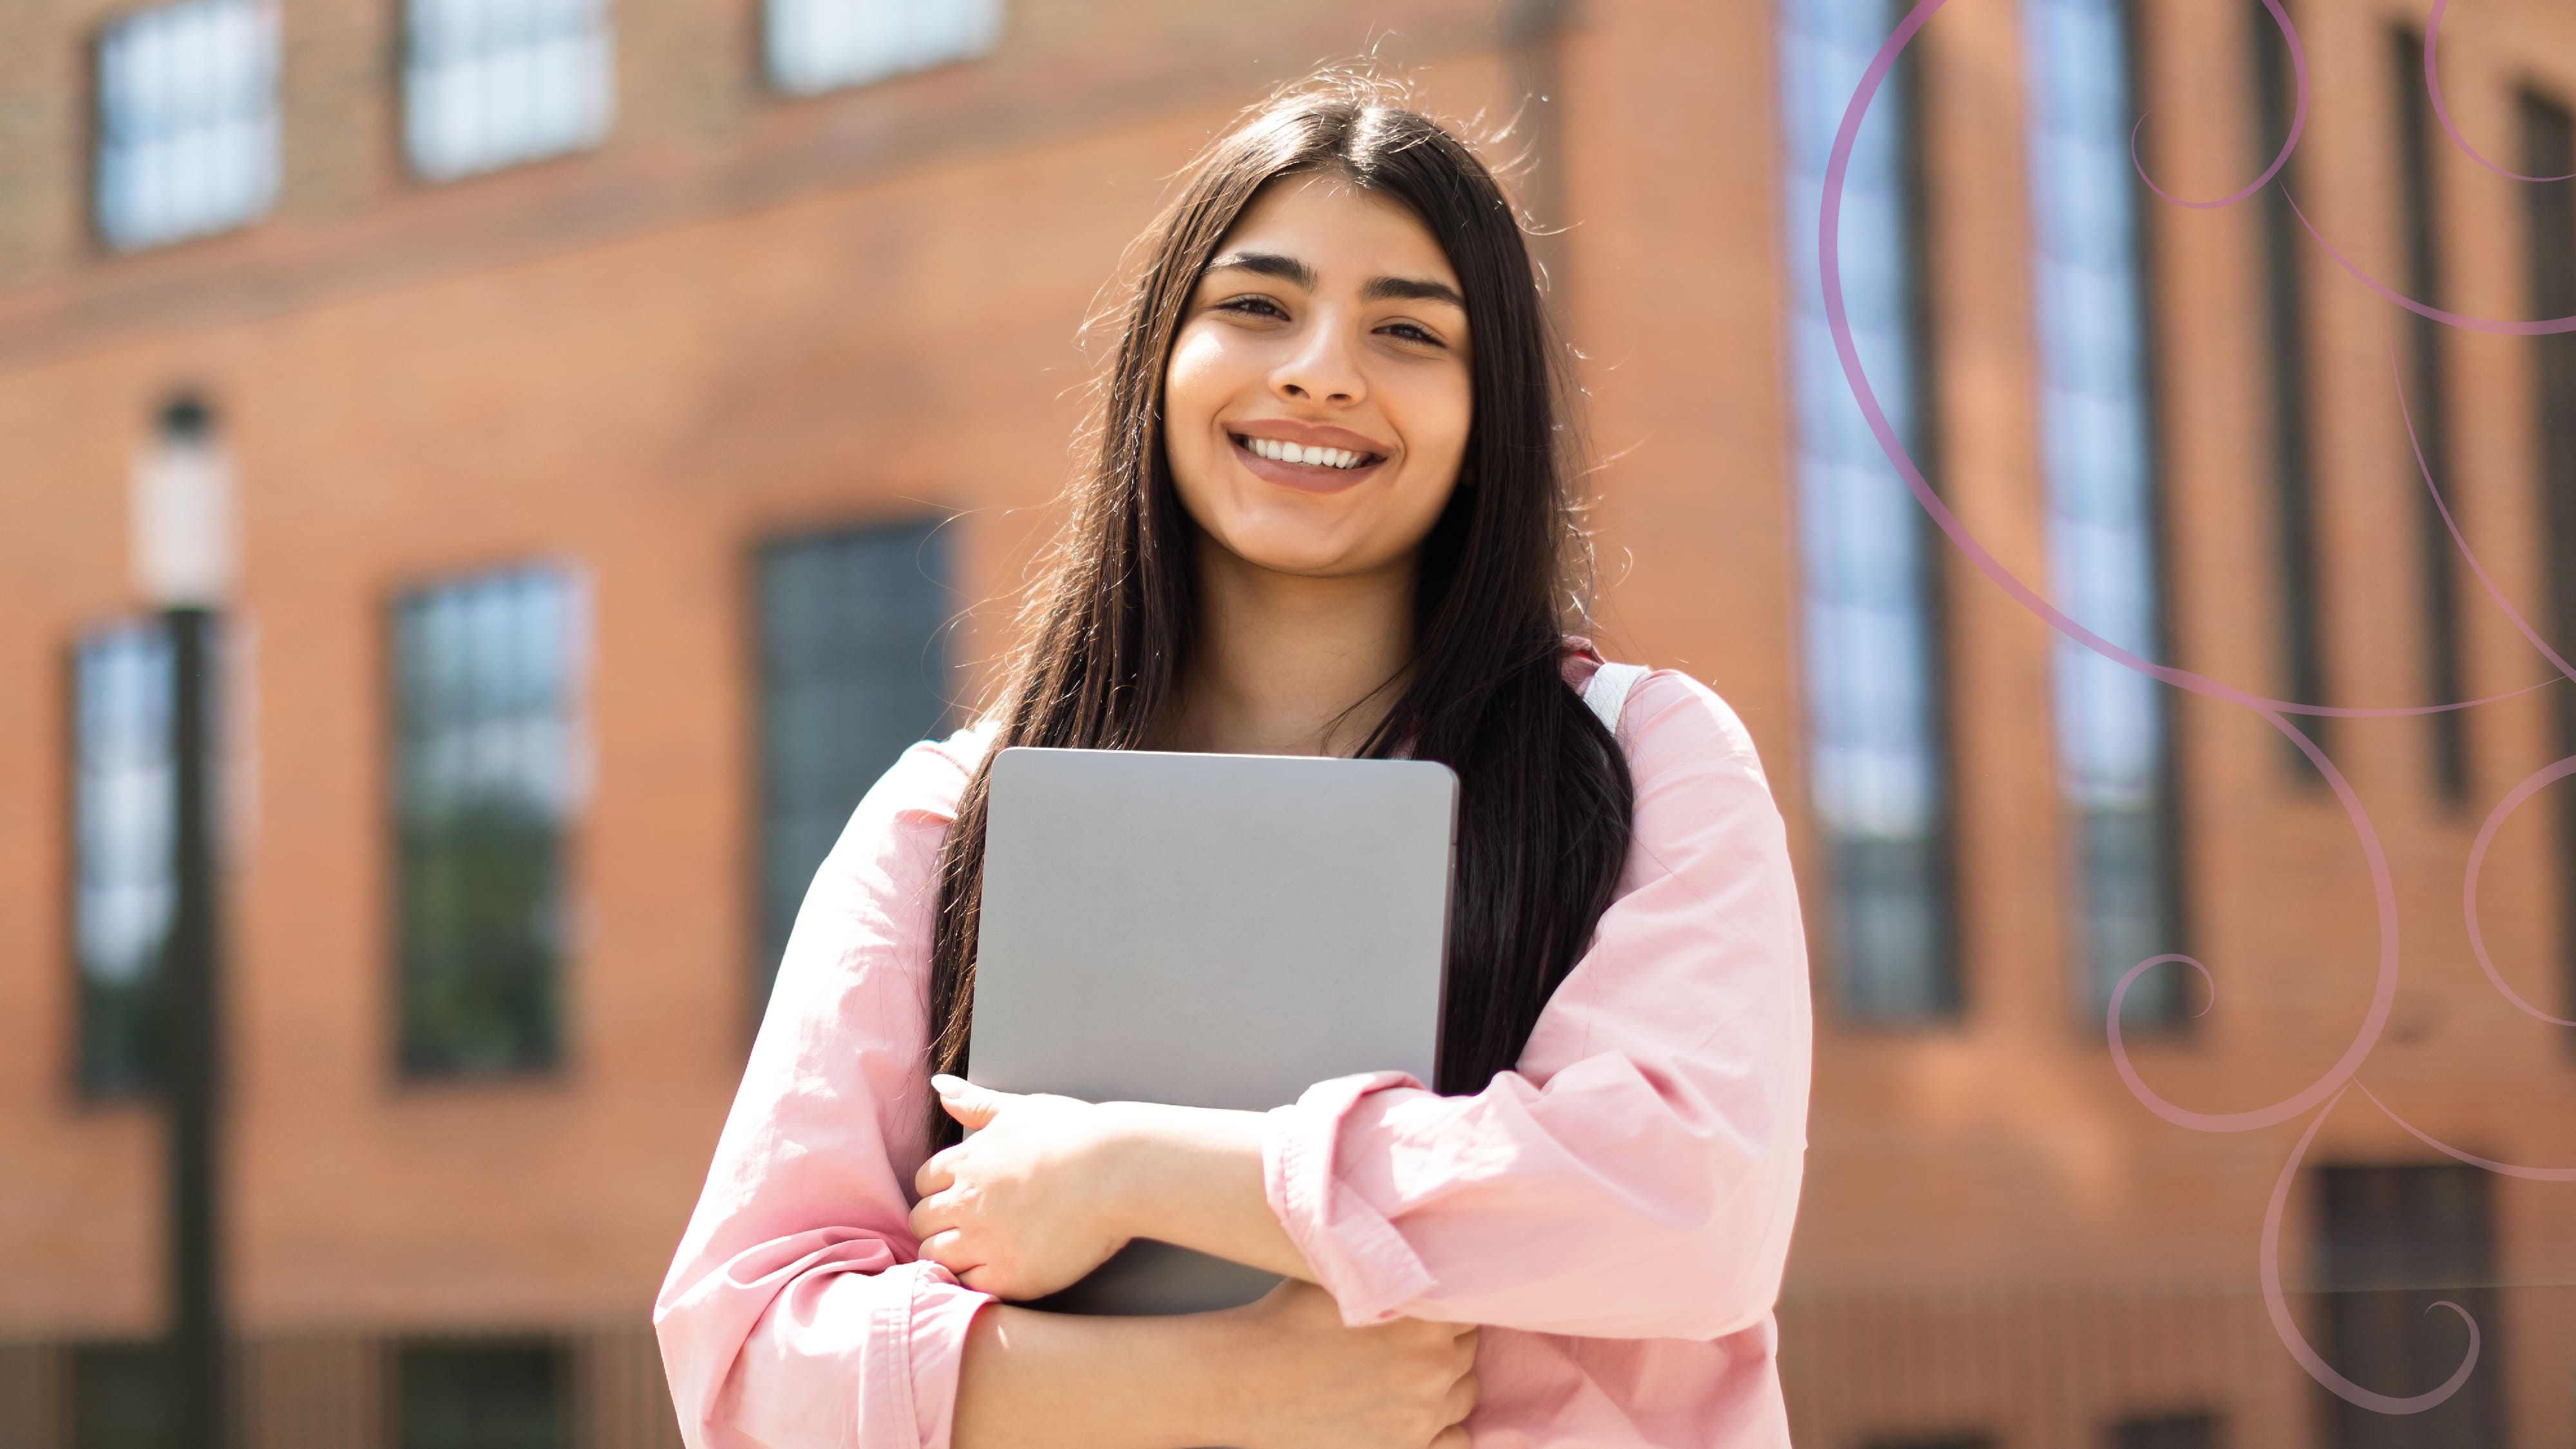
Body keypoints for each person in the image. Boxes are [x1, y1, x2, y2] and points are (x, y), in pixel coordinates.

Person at [654, 73, 1812, 1449]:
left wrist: (1135, 1171)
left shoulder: (1641, 761)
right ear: (1160, 361)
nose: (1321, 370)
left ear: (1487, 412)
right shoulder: (948, 822)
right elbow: (747, 1363)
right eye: (1256, 306)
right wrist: (1225, 1388)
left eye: (1407, 330)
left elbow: (1687, 1205)